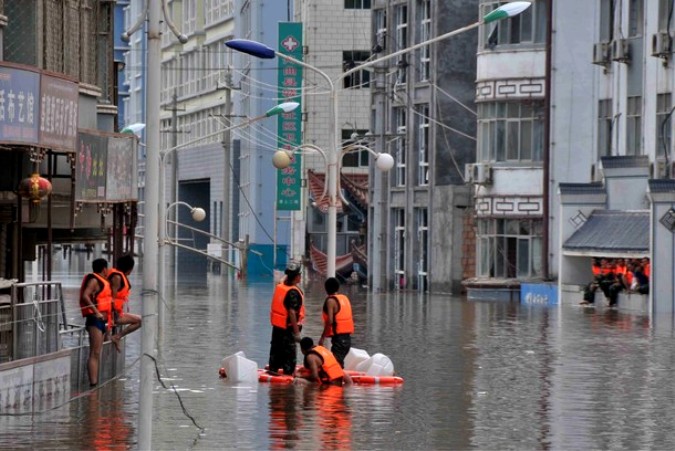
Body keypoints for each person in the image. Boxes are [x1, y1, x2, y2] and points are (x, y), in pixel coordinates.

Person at [79, 258, 114, 388]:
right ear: (104, 269)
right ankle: (93, 384)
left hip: (104, 320)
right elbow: (85, 295)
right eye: (107, 268)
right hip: (95, 320)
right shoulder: (94, 280)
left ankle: (98, 380)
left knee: (100, 351)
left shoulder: (104, 281)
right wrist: (96, 311)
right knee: (95, 352)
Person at [268, 261, 305, 375]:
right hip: (288, 330)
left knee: (276, 353)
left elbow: (282, 280)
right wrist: (297, 333)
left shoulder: (281, 286)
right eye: (299, 274)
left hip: (277, 328)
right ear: (297, 277)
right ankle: (287, 381)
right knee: (289, 358)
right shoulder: (293, 292)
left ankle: (274, 372)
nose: (301, 276)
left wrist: (289, 272)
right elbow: (292, 312)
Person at [108, 254, 142, 352]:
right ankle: (117, 337)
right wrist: (114, 314)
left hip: (117, 313)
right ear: (130, 268)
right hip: (112, 315)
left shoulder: (118, 275)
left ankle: (116, 337)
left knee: (141, 319)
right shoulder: (117, 277)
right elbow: (112, 298)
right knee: (141, 320)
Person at [318, 277, 354, 368]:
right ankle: (341, 378)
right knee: (338, 363)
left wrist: (322, 338)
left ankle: (341, 380)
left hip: (339, 340)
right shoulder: (344, 298)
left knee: (336, 365)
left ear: (326, 289)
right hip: (347, 339)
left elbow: (329, 321)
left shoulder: (330, 301)